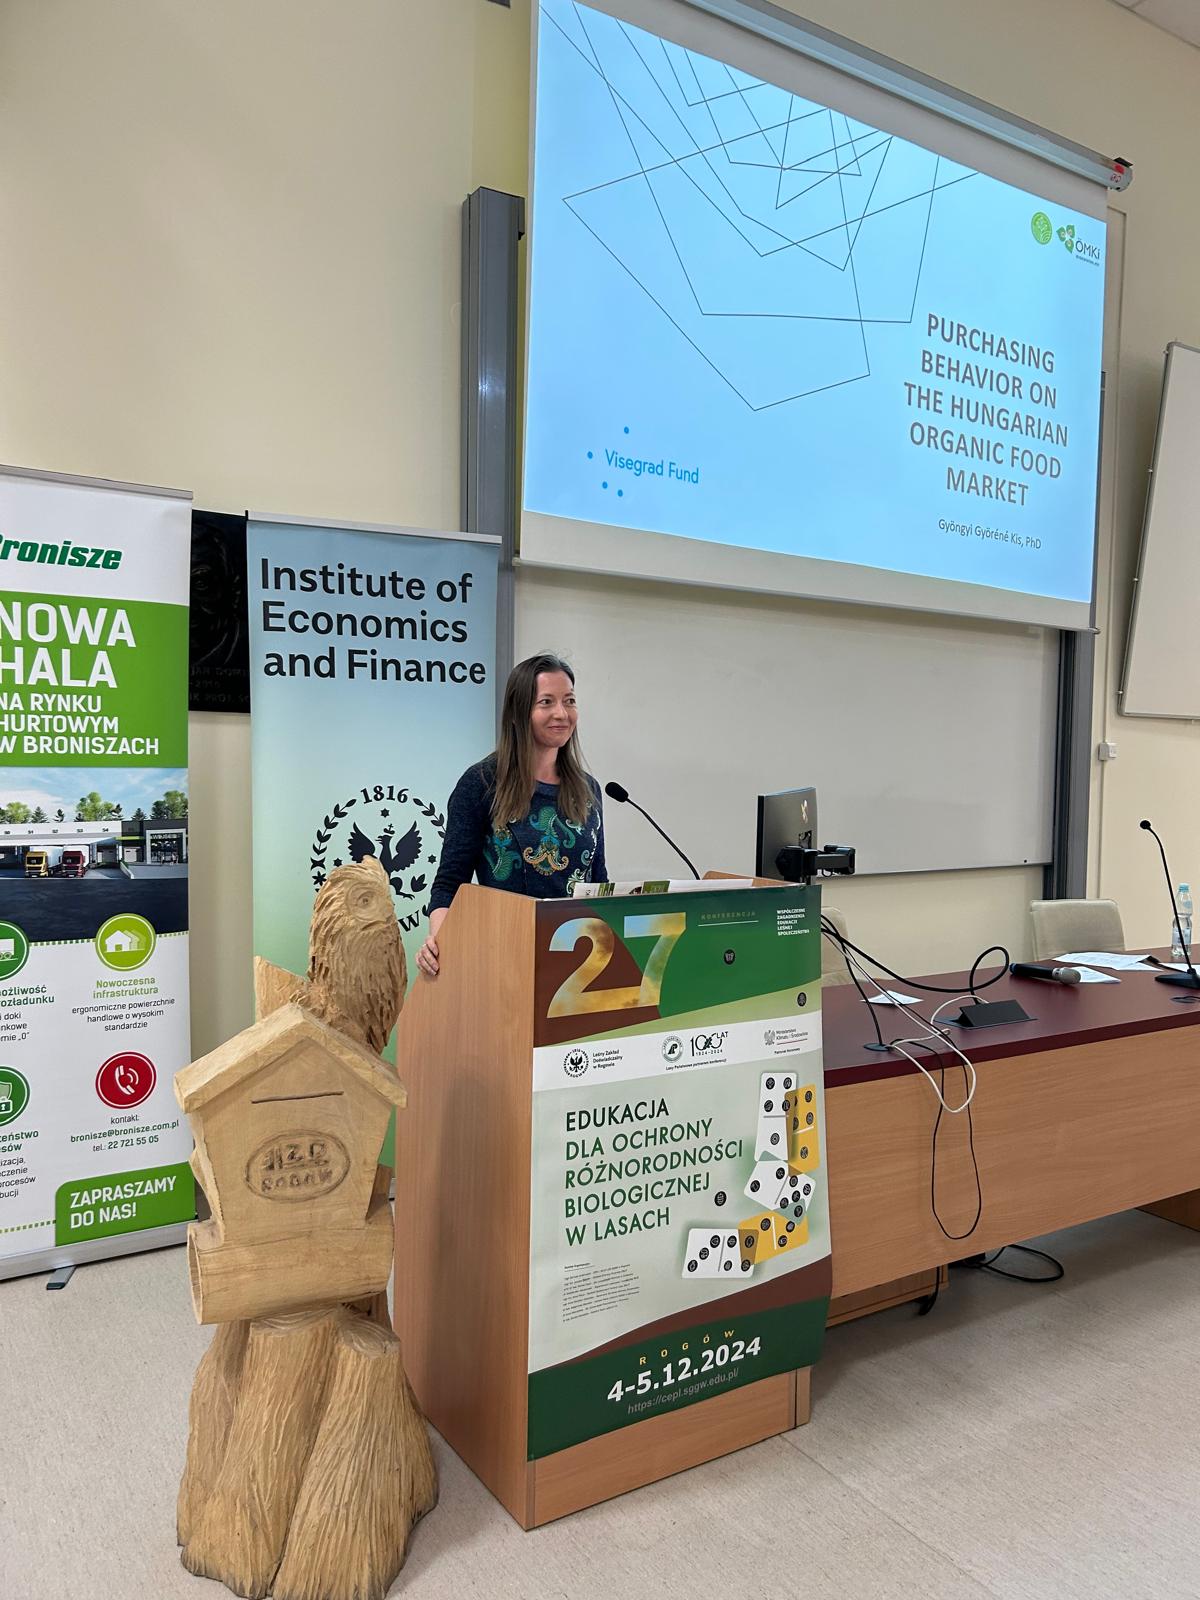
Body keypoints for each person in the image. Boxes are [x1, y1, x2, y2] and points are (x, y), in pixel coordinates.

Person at [416, 653, 607, 977]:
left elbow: (599, 881)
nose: (561, 713)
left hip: (579, 965)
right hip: (503, 962)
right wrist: (440, 943)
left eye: (569, 701)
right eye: (546, 702)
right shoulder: (481, 783)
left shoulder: (588, 789)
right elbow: (449, 885)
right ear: (519, 711)